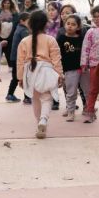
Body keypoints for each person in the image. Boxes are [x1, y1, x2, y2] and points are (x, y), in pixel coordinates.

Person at [17, 9, 64, 139]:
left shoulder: (24, 41)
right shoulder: (51, 40)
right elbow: (56, 59)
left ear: (30, 24)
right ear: (46, 24)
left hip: (29, 71)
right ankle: (43, 120)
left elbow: (20, 62)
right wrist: (60, 75)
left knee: (35, 99)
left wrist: (20, 78)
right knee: (47, 98)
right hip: (46, 70)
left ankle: (39, 123)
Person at [58, 14, 84, 122]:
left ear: (78, 27)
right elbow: (57, 54)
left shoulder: (81, 38)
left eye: (73, 24)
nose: (70, 26)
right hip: (68, 69)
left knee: (84, 90)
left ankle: (88, 109)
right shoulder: (61, 38)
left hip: (81, 68)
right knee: (71, 91)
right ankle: (71, 111)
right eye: (68, 24)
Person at [8, 11, 31, 104]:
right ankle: (27, 97)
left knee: (16, 77)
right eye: (29, 21)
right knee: (25, 77)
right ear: (22, 21)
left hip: (15, 58)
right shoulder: (24, 30)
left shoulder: (18, 28)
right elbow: (28, 42)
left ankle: (10, 94)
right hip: (20, 59)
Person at [0, 0, 19, 68]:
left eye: (8, 3)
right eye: (5, 3)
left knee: (9, 53)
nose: (6, 4)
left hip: (10, 37)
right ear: (2, 3)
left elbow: (16, 23)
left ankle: (11, 67)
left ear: (11, 4)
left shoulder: (14, 12)